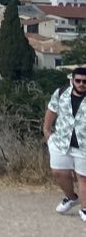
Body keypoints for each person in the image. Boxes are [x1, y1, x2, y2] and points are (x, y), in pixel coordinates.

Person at [45, 67, 86, 219]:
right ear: (72, 80)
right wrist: (47, 133)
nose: (81, 84)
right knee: (58, 172)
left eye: (85, 82)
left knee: (83, 178)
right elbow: (51, 111)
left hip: (83, 146)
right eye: (78, 81)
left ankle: (84, 209)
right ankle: (71, 198)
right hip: (61, 142)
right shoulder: (61, 93)